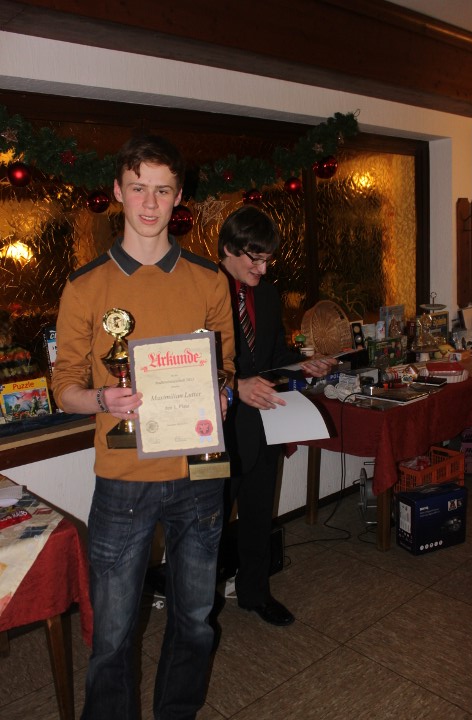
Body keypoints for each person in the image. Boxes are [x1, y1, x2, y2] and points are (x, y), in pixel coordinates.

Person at [52, 134, 235, 720]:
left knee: (196, 620)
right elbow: (64, 388)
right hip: (123, 480)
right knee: (111, 636)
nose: (150, 203)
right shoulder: (85, 286)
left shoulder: (210, 280)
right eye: (138, 188)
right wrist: (102, 397)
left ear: (179, 196)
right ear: (117, 191)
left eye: (162, 190)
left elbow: (226, 367)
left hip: (199, 474)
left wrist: (223, 394)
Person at [218, 205, 336, 626]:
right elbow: (188, 365)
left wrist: (302, 364)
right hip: (217, 430)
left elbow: (271, 357)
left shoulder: (266, 295)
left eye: (269, 259)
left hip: (264, 425)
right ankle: (200, 610)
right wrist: (235, 386)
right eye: (256, 259)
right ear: (229, 249)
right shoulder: (202, 290)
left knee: (257, 516)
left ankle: (255, 593)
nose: (264, 269)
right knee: (209, 527)